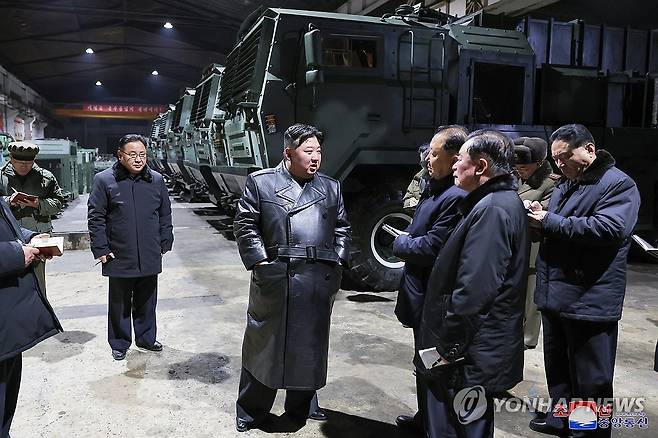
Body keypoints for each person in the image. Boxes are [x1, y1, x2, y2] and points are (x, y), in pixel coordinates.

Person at [233, 124, 351, 433]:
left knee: (309, 345)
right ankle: (251, 409)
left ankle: (303, 404)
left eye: (319, 152)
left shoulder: (331, 187)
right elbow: (245, 224)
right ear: (288, 153)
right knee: (264, 345)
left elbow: (342, 227)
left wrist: (338, 259)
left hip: (316, 278)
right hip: (277, 276)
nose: (316, 158)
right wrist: (260, 262)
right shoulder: (262, 183)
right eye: (308, 151)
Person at [527, 124, 640, 437]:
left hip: (589, 297)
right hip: (556, 293)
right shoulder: (567, 183)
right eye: (556, 159)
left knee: (591, 378)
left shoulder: (618, 185)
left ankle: (588, 432)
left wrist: (550, 220)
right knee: (560, 370)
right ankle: (561, 419)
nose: (560, 164)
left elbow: (609, 229)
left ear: (589, 149)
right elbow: (562, 224)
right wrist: (540, 217)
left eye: (565, 157)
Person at [417, 130, 529, 437]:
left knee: (463, 425)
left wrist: (447, 348)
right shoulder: (493, 202)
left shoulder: (492, 209)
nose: (454, 165)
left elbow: (474, 292)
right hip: (476, 348)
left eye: (460, 160)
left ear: (480, 166)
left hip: (471, 352)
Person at [392, 126, 468, 432]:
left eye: (434, 154)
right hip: (420, 293)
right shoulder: (434, 188)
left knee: (436, 369)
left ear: (453, 159)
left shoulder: (455, 196)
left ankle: (435, 426)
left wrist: (400, 244)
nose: (427, 159)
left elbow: (432, 247)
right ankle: (424, 421)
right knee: (422, 364)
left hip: (434, 298)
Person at [87, 134, 173, 361]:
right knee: (120, 301)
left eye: (142, 154)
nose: (138, 159)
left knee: (147, 300)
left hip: (149, 250)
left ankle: (146, 338)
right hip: (118, 252)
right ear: (120, 155)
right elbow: (96, 217)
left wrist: (165, 240)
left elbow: (164, 213)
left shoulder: (156, 180)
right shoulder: (104, 180)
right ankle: (119, 342)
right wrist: (101, 248)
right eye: (132, 154)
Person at [0, 191, 62, 438]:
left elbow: (7, 227)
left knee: (7, 394)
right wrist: (17, 254)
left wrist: (33, 238)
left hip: (8, 323)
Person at [1, 141, 65, 295]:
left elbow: (58, 204)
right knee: (10, 282)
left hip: (37, 236)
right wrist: (9, 201)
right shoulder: (1, 177)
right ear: (11, 158)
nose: (24, 166)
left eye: (28, 162)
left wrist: (38, 204)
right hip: (9, 237)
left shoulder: (45, 178)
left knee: (37, 282)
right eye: (19, 162)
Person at [513, 137, 559, 349]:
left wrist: (532, 209)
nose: (520, 171)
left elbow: (551, 212)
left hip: (535, 243)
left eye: (524, 167)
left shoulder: (551, 183)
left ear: (538, 164)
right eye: (518, 167)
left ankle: (528, 337)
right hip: (515, 240)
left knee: (532, 291)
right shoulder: (515, 177)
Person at [403, 143, 431, 212]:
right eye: (422, 163)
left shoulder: (440, 177)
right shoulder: (418, 177)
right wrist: (415, 203)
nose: (424, 166)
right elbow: (406, 201)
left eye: (425, 162)